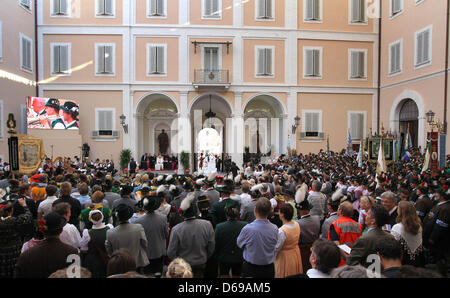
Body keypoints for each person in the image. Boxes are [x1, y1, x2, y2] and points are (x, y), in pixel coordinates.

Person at [14, 212, 79, 278]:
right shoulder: (72, 253)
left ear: (42, 231)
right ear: (61, 230)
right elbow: (75, 276)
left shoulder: (27, 255)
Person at [167, 193, 215, 278]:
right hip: (201, 262)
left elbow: (171, 252)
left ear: (183, 214)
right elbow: (211, 245)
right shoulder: (207, 224)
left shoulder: (176, 229)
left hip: (183, 265)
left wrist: (179, 262)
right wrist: (204, 257)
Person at [237, 197, 279, 278]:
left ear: (255, 209)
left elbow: (239, 244)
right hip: (268, 268)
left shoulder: (247, 229)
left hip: (251, 269)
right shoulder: (275, 228)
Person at [105, 204, 149, 270]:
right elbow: (145, 243)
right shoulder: (138, 228)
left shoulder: (110, 232)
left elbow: (109, 250)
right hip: (136, 261)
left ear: (117, 217)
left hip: (120, 263)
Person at [134, 194, 169, 277]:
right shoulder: (163, 218)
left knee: (148, 274)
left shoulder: (138, 221)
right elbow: (166, 234)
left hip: (146, 253)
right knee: (158, 273)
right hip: (159, 251)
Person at [0, 199, 32, 278]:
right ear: (11, 211)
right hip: (14, 251)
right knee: (14, 269)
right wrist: (24, 205)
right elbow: (28, 216)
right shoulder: (15, 221)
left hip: (2, 251)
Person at [423, 188, 450, 277]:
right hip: (430, 236)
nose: (434, 195)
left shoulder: (445, 208)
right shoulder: (439, 205)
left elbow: (441, 225)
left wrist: (432, 238)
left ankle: (440, 272)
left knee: (438, 257)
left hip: (438, 240)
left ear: (441, 196)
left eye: (436, 194)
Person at [214, 206, 247, 278]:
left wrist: (217, 255)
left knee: (224, 275)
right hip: (239, 257)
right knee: (237, 275)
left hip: (224, 257)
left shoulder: (219, 227)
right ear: (237, 215)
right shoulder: (244, 225)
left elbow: (216, 243)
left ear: (226, 215)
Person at [391, 200, 425, 267]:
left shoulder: (397, 227)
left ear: (400, 212)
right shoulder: (419, 226)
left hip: (402, 259)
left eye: (398, 208)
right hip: (417, 258)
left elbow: (392, 244)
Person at [328, 201, 362, 266]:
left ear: (340, 211)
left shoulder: (336, 224)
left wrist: (347, 258)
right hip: (355, 260)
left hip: (341, 261)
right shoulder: (358, 225)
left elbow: (336, 244)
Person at [80, 209, 112, 278]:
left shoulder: (87, 232)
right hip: (108, 258)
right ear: (102, 217)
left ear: (91, 220)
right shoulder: (110, 228)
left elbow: (83, 248)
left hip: (93, 261)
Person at [274, 204, 303, 278]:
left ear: (282, 215)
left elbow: (277, 248)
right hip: (295, 253)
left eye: (279, 212)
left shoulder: (282, 231)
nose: (278, 213)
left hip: (284, 257)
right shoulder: (297, 224)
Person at [297, 194, 321, 272]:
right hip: (315, 248)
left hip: (303, 250)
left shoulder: (298, 223)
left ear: (300, 211)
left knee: (305, 268)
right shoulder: (317, 218)